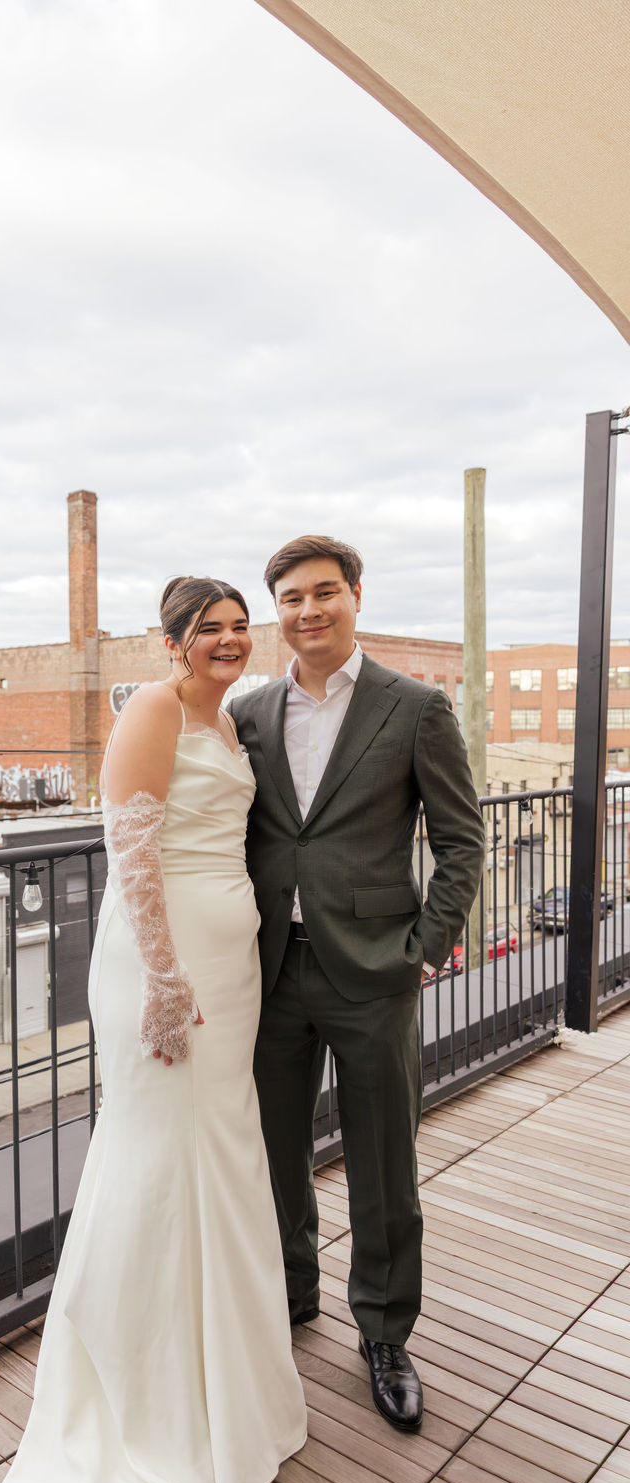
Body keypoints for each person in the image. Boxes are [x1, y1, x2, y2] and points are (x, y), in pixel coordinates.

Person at [0, 577, 307, 1483]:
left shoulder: (227, 724)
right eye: (207, 629)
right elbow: (128, 856)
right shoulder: (151, 713)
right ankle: (134, 1401)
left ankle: (225, 1397)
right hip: (162, 971)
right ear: (170, 642)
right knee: (152, 1163)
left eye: (237, 626)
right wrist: (167, 981)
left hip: (232, 962)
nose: (227, 639)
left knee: (222, 1158)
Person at [228, 535, 484, 1433]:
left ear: (355, 597)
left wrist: (428, 942)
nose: (309, 610)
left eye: (324, 593)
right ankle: (291, 1297)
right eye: (292, 597)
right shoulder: (249, 712)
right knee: (274, 1154)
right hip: (271, 970)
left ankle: (383, 1331)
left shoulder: (416, 707)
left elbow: (462, 840)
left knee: (384, 1164)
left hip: (376, 971)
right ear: (278, 612)